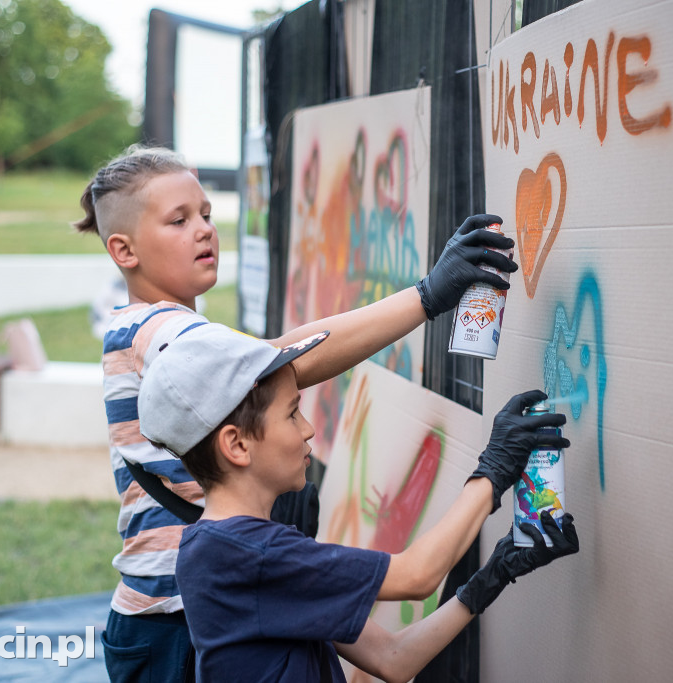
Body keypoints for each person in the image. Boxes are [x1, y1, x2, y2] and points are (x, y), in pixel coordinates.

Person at [72, 144, 521, 682]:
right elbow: (276, 361)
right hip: (176, 624)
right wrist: (425, 297)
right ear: (124, 250)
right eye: (179, 220)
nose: (204, 230)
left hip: (204, 603)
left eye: (207, 214)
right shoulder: (158, 330)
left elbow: (392, 658)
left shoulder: (158, 329)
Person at [137, 323, 580, 682]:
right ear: (236, 446)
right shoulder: (250, 554)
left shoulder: (227, 549)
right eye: (292, 413)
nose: (309, 428)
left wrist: (493, 575)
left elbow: (393, 658)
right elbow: (416, 576)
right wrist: (494, 470)